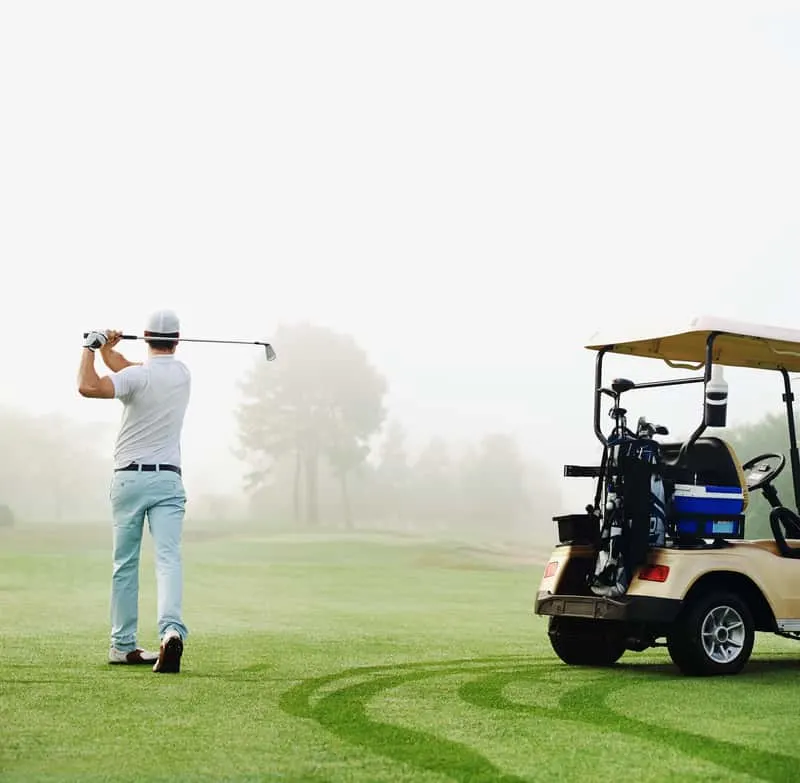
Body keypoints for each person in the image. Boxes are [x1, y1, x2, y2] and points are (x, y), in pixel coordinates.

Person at [78, 309, 191, 673]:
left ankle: (122, 645)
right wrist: (108, 348)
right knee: (168, 559)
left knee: (124, 564)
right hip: (168, 481)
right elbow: (129, 369)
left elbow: (89, 386)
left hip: (128, 480)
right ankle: (171, 632)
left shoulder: (134, 377)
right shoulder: (183, 375)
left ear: (144, 337)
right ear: (176, 339)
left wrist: (90, 348)